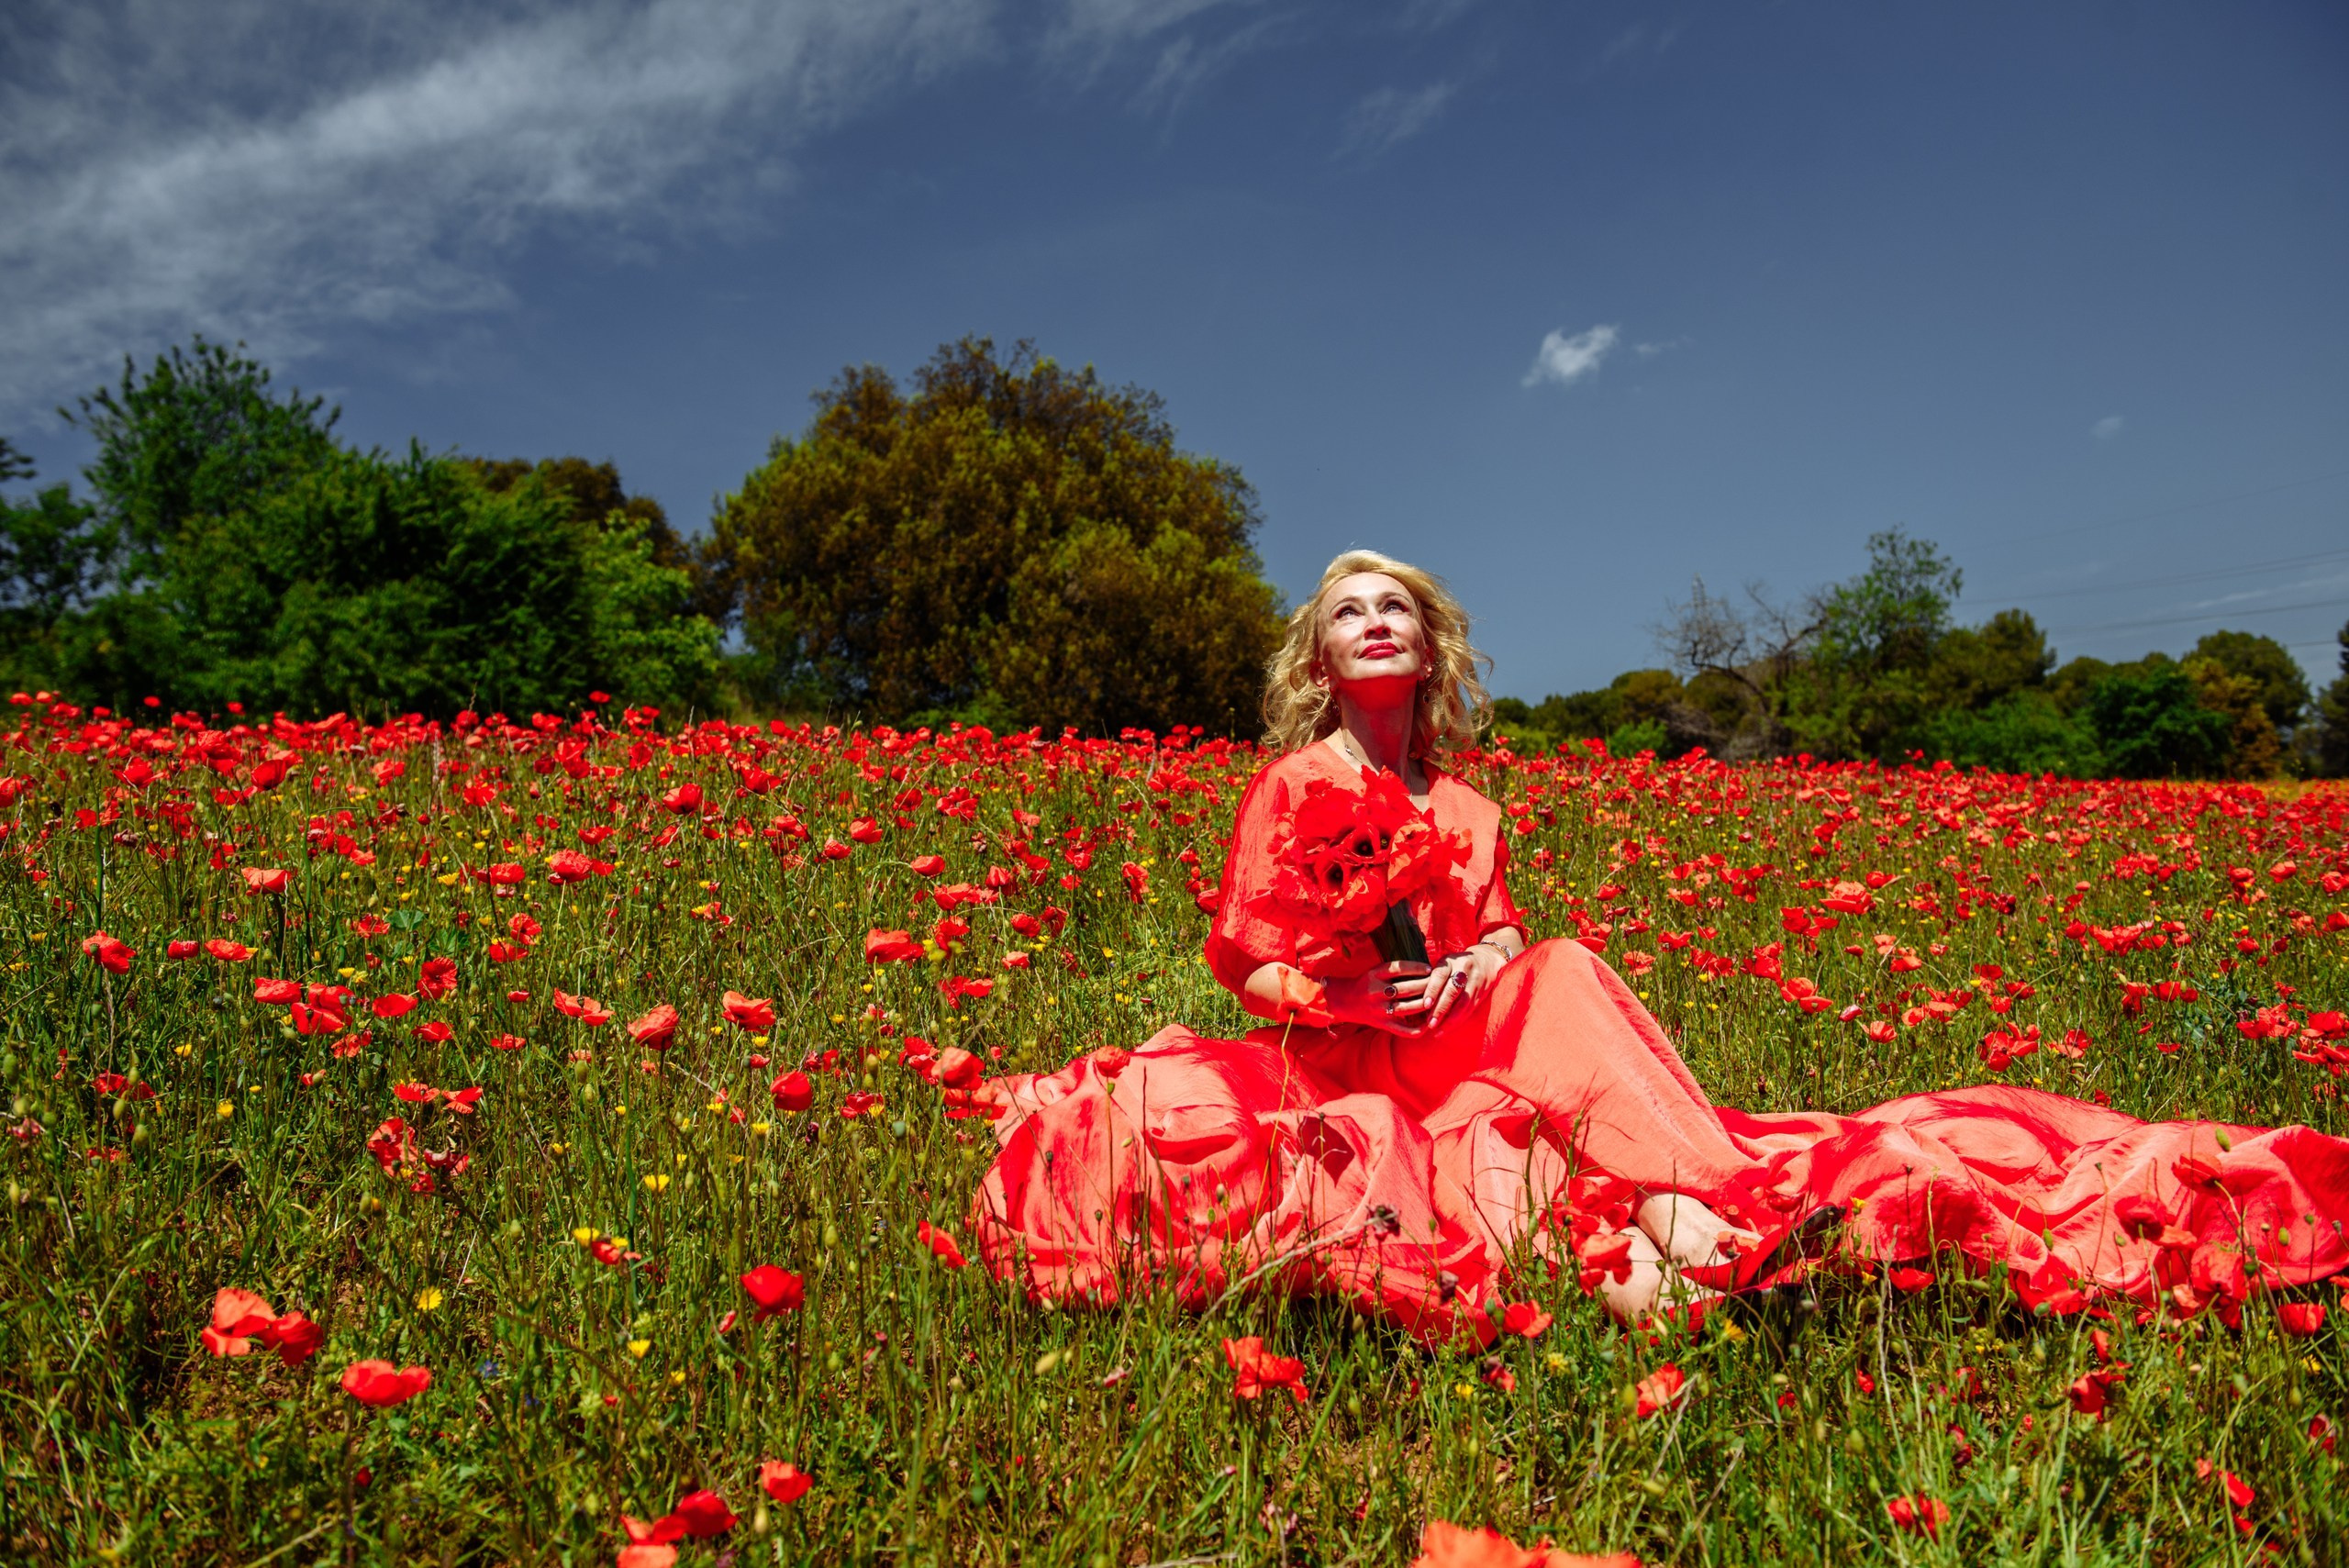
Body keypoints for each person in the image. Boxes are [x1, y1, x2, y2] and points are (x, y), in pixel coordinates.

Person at [960, 550, 2349, 1342]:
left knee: (1554, 965)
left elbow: (1497, 933)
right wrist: (1334, 977)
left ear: (1428, 646)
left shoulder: (1472, 805)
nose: (1373, 621)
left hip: (1469, 1042)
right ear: (1319, 659)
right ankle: (1684, 1235)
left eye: (1396, 606)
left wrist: (1468, 966)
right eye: (1347, 609)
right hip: (1342, 1063)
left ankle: (1716, 1203)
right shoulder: (1291, 786)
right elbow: (1237, 956)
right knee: (1252, 1124)